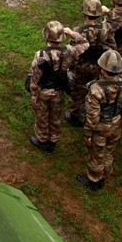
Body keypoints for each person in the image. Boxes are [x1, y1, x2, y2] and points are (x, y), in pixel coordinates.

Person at [77, 50, 122, 190]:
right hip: (116, 121)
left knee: (97, 152)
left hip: (101, 125)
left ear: (102, 68)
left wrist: (88, 134)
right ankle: (105, 175)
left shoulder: (96, 89)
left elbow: (92, 116)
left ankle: (94, 179)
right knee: (109, 150)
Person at [29, 22, 89, 152]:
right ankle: (53, 140)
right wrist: (72, 33)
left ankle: (43, 139)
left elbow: (35, 77)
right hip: (58, 90)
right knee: (55, 116)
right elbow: (85, 44)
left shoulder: (40, 55)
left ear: (46, 36)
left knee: (42, 116)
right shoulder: (69, 51)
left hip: (43, 92)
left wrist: (34, 94)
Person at [65, 0, 109, 127]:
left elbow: (74, 51)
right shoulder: (105, 28)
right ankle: (93, 107)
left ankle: (75, 114)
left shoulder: (79, 31)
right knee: (94, 86)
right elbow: (110, 45)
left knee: (78, 90)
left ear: (84, 12)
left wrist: (70, 67)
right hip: (99, 64)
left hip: (82, 66)